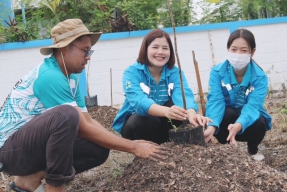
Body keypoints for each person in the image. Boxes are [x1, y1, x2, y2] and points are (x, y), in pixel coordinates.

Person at [0, 19, 167, 192]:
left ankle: (29, 180)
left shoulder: (70, 77)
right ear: (63, 49)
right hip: (6, 151)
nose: (88, 57)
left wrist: (127, 143)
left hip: (25, 146)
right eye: (84, 51)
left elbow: (88, 122)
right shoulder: (50, 76)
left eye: (90, 52)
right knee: (66, 114)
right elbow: (79, 125)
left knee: (97, 149)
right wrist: (132, 147)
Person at [112, 29, 211, 144]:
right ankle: (148, 152)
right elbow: (139, 102)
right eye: (155, 47)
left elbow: (182, 94)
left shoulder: (175, 72)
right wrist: (167, 111)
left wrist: (191, 113)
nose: (160, 52)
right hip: (136, 126)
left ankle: (172, 147)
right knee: (147, 118)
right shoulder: (132, 72)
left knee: (178, 109)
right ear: (145, 49)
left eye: (165, 48)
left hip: (163, 127)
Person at [203, 29, 272, 161]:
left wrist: (239, 125)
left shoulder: (260, 77)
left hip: (246, 121)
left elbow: (253, 106)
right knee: (226, 113)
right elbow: (216, 100)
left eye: (244, 50)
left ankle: (252, 150)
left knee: (260, 121)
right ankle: (228, 149)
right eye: (234, 49)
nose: (238, 54)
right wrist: (211, 127)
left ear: (253, 52)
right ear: (228, 49)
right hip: (226, 120)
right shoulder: (217, 72)